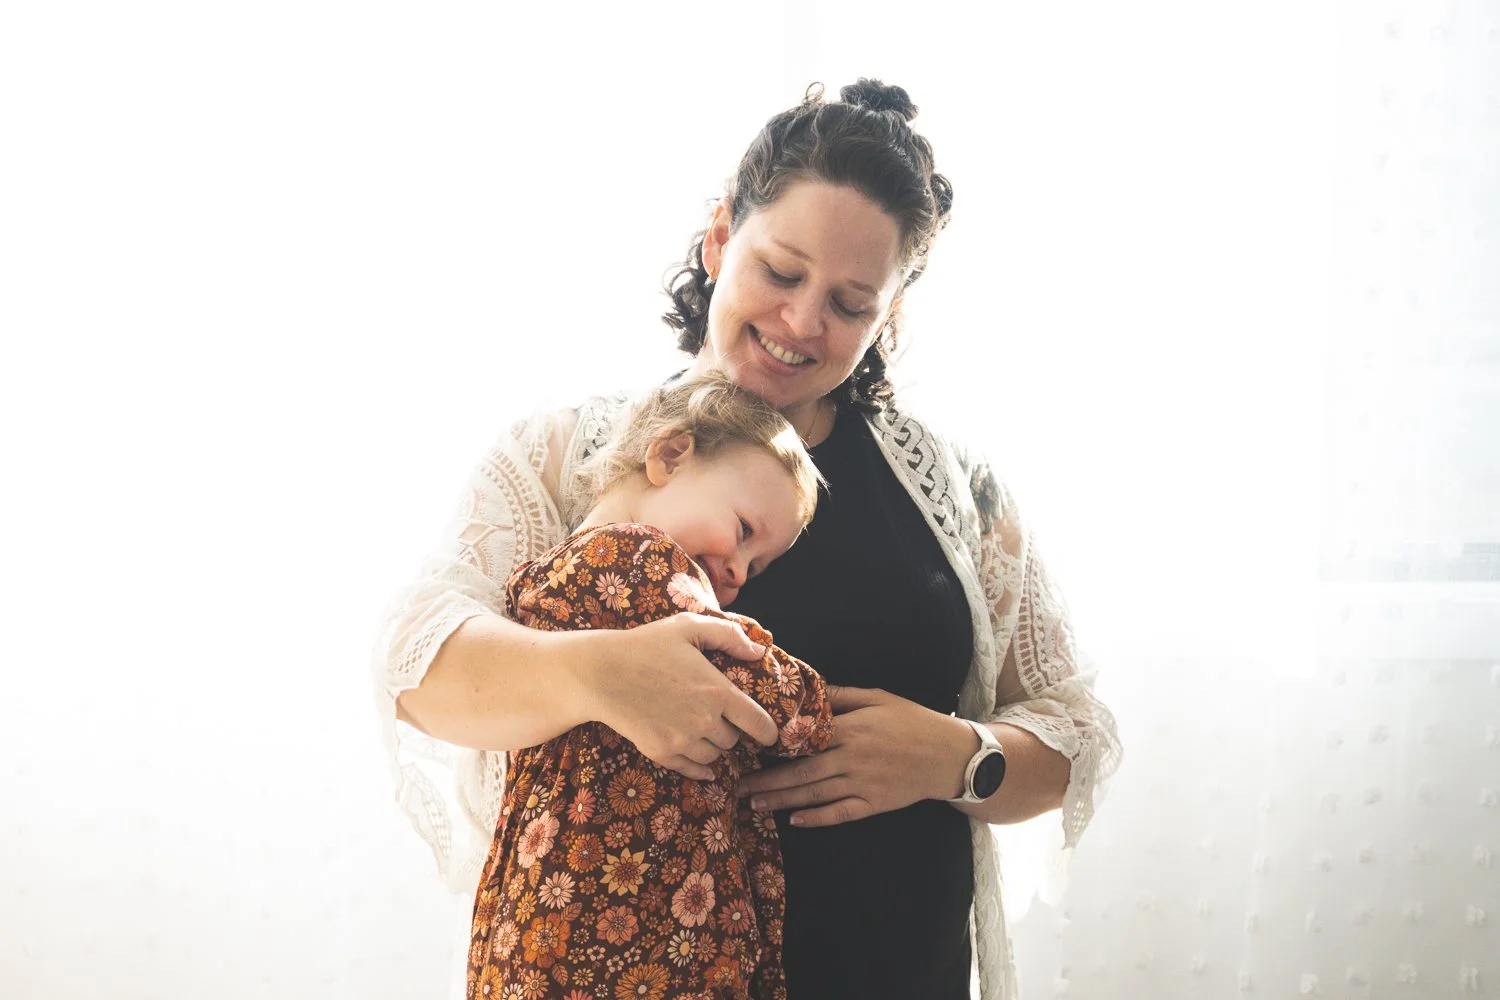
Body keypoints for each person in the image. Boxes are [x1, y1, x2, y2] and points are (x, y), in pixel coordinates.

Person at [374, 78, 1122, 1000]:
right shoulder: (571, 456)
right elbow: (416, 666)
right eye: (781, 270)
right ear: (722, 237)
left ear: (889, 315)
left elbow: (1074, 733)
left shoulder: (958, 491)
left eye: (852, 303)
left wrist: (955, 757)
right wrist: (598, 675)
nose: (804, 321)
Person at [468, 372, 836, 1000]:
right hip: (630, 932)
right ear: (669, 455)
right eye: (744, 531)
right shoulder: (643, 566)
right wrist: (818, 705)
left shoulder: (542, 578)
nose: (740, 571)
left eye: (759, 564)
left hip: (538, 919)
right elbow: (764, 698)